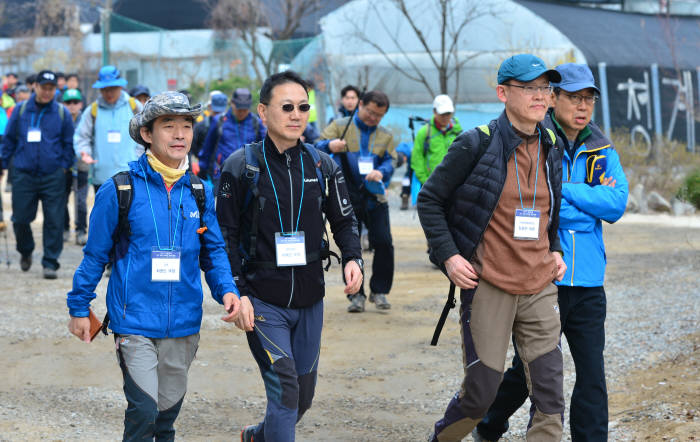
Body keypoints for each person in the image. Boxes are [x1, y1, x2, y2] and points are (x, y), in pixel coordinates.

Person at [67, 91, 247, 441]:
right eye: (169, 126)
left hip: (183, 324)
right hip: (133, 321)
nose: (180, 134)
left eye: (186, 126)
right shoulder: (119, 189)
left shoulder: (199, 190)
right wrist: (78, 306)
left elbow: (214, 251)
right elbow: (94, 255)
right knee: (144, 412)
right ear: (147, 134)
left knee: (165, 420)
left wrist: (227, 289)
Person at [474, 63, 629, 442]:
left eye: (589, 98)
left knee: (592, 371)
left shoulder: (601, 146)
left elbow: (616, 203)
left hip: (590, 279)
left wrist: (568, 190)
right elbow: (540, 207)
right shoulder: (537, 140)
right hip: (543, 275)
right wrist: (586, 199)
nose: (583, 106)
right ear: (554, 98)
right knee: (532, 369)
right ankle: (490, 422)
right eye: (574, 97)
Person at [417, 54, 567, 441]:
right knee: (480, 395)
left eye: (545, 88)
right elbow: (430, 200)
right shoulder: (475, 143)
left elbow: (552, 206)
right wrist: (448, 256)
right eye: (529, 88)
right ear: (503, 93)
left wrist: (555, 249)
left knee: (550, 396)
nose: (540, 96)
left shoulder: (552, 142)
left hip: (539, 284)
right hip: (488, 284)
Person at [215, 71, 363, 442]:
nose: (296, 115)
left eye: (303, 107)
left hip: (311, 298)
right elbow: (224, 238)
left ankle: (257, 437)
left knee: (303, 398)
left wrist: (352, 259)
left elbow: (345, 221)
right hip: (262, 300)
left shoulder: (321, 164)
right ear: (263, 112)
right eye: (286, 107)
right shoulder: (240, 166)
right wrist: (236, 291)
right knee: (285, 392)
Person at [317, 90, 396, 312]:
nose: (373, 118)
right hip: (347, 194)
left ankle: (379, 291)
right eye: (370, 112)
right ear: (360, 105)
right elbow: (315, 147)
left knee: (383, 242)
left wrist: (381, 172)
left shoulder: (386, 135)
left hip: (375, 195)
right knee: (350, 244)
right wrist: (330, 146)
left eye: (378, 115)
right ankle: (356, 294)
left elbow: (392, 160)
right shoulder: (340, 125)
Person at [0, 70, 75, 279]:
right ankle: (26, 250)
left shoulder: (62, 113)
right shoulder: (21, 110)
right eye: (44, 88)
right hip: (24, 174)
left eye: (51, 89)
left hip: (53, 175)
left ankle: (50, 262)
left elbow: (69, 143)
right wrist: (3, 163)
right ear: (36, 87)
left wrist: (64, 167)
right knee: (20, 219)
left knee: (54, 220)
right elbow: (9, 140)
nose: (47, 92)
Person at [74, 65, 143, 194]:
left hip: (132, 176)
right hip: (102, 178)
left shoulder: (134, 106)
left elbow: (147, 134)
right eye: (105, 89)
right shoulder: (92, 110)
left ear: (120, 86)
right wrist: (84, 152)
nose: (109, 93)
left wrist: (138, 157)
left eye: (113, 88)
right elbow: (82, 136)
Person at [197, 87, 265, 189]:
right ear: (232, 103)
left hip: (250, 176)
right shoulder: (219, 121)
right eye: (239, 108)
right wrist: (202, 169)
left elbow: (264, 148)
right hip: (222, 174)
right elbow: (208, 147)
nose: (241, 112)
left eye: (245, 109)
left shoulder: (256, 123)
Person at [410, 94, 462, 187]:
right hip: (431, 184)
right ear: (434, 111)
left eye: (448, 113)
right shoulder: (425, 132)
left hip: (453, 184)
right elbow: (416, 158)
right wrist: (425, 181)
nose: (445, 117)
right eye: (442, 114)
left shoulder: (456, 132)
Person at [63, 88, 88, 245]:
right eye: (68, 102)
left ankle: (81, 230)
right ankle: (64, 228)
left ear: (81, 104)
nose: (72, 106)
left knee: (80, 201)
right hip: (64, 166)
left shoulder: (86, 120)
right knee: (61, 199)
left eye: (75, 102)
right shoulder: (59, 119)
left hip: (81, 166)